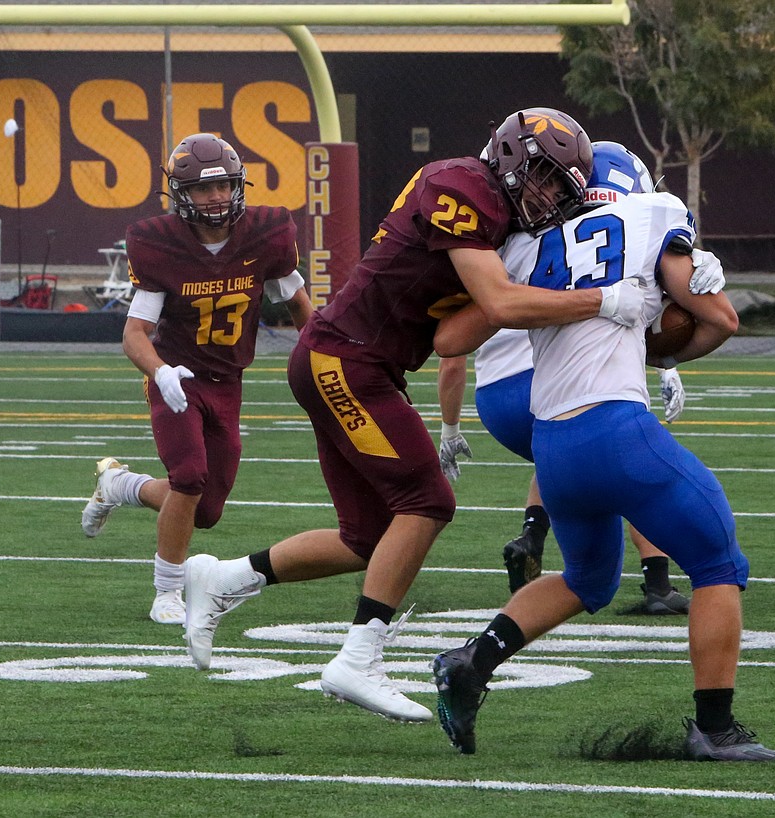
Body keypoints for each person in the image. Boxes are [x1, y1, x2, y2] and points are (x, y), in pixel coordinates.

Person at [181, 108, 650, 723]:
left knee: (368, 539)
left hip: (361, 363)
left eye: (558, 189)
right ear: (509, 156)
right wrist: (602, 299)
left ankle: (223, 579)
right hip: (346, 360)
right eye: (540, 177)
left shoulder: (505, 221)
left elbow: (455, 336)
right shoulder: (462, 185)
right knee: (428, 503)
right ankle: (358, 658)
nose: (545, 196)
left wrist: (525, 277)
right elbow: (499, 301)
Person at [431, 140, 775, 761]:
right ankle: (716, 727)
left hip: (555, 447)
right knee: (717, 563)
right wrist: (664, 347)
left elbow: (452, 337)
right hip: (616, 431)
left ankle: (472, 662)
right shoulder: (653, 214)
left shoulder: (522, 247)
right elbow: (723, 319)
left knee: (587, 578)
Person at [435, 178, 727, 611]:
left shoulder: (510, 241)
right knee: (624, 471)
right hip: (576, 393)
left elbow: (450, 346)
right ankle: (659, 584)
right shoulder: (643, 220)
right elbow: (716, 317)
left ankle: (531, 541)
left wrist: (449, 426)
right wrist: (691, 262)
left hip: (502, 401)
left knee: (573, 467)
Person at [80, 133, 312, 625]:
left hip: (228, 380)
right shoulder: (160, 243)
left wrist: (326, 355)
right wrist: (160, 373)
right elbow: (135, 333)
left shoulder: (267, 233)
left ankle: (120, 485)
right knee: (188, 479)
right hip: (177, 378)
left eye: (225, 186)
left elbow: (298, 306)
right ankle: (167, 591)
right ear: (180, 195)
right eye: (204, 190)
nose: (216, 198)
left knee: (205, 510)